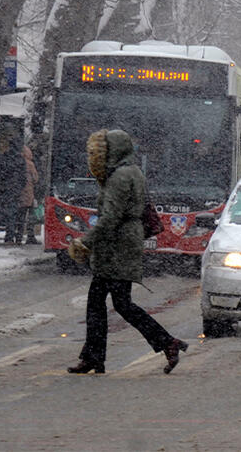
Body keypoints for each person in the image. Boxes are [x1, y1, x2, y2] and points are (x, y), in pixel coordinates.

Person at [68, 129, 187, 375]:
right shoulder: (132, 171)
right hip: (123, 242)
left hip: (117, 246)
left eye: (104, 149)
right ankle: (95, 357)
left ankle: (166, 343)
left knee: (112, 304)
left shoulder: (119, 177)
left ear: (113, 151)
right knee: (109, 303)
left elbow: (111, 217)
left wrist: (86, 241)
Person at [20, 144, 40, 245]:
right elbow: (35, 178)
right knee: (31, 216)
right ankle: (30, 235)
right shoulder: (30, 164)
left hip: (19, 194)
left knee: (20, 216)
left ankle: (17, 235)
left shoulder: (18, 163)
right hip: (29, 193)